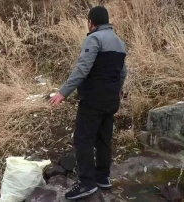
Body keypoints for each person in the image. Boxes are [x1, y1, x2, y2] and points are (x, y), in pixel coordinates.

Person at [49, 6, 127, 200]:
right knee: (103, 139)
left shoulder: (94, 39)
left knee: (83, 140)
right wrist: (115, 90)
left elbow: (83, 69)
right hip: (111, 99)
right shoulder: (119, 42)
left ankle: (86, 184)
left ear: (91, 22)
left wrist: (63, 92)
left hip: (93, 99)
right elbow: (122, 73)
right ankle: (103, 177)